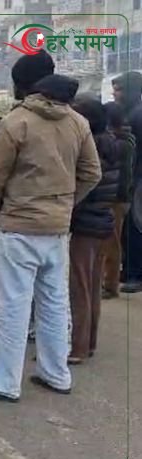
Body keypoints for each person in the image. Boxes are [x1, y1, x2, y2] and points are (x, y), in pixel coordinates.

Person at [0, 53, 100, 402]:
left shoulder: (16, 122)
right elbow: (92, 173)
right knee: (55, 303)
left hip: (19, 226)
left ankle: (4, 383)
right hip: (57, 228)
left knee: (13, 306)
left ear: (22, 85)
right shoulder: (77, 121)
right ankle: (56, 374)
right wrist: (64, 204)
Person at [67, 97, 120, 364]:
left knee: (79, 287)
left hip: (86, 223)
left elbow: (83, 188)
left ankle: (77, 348)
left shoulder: (90, 149)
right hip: (103, 220)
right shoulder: (111, 142)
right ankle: (89, 342)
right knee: (93, 285)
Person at [112, 71, 142, 293]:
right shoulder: (131, 113)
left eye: (119, 89)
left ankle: (134, 274)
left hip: (137, 179)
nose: (115, 93)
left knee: (134, 226)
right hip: (134, 178)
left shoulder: (136, 116)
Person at [102, 101, 135, 299]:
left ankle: (110, 285)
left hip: (117, 198)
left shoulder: (120, 143)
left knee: (111, 243)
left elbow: (121, 176)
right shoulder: (126, 139)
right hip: (121, 197)